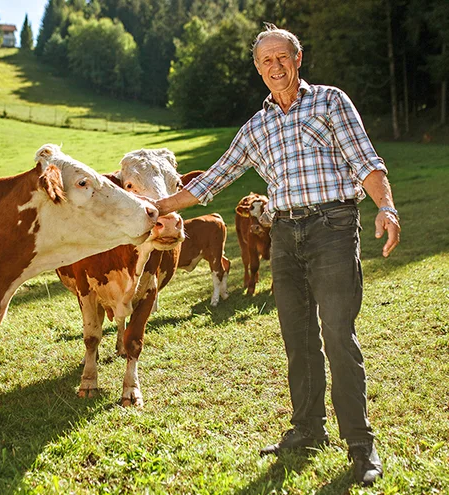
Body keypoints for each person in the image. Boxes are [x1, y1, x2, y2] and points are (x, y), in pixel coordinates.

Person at [155, 24, 400, 486]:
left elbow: (367, 161)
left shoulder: (330, 102)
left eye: (281, 57)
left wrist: (385, 206)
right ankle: (308, 431)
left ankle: (360, 445)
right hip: (284, 233)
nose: (275, 66)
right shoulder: (256, 126)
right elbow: (213, 179)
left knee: (338, 335)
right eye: (265, 60)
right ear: (257, 68)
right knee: (298, 337)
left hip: (332, 225)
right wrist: (159, 206)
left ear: (298, 58)